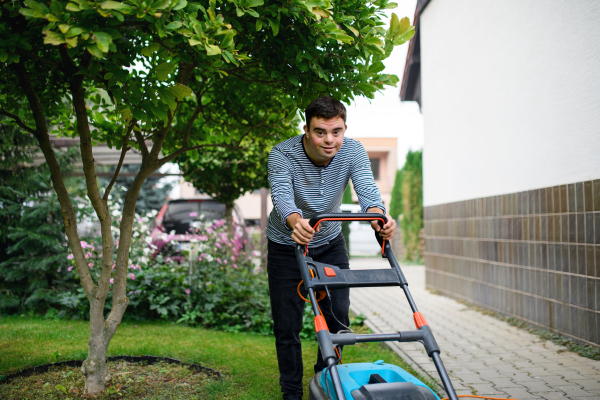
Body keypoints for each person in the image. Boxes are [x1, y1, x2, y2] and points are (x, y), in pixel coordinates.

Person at [266, 96, 396, 399]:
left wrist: (380, 217)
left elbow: (367, 189)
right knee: (287, 327)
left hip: (330, 243)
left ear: (344, 129)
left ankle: (325, 382)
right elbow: (282, 196)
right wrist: (295, 221)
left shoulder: (353, 151)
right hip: (286, 245)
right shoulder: (282, 153)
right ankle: (291, 393)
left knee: (339, 319)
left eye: (336, 131)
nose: (329, 140)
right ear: (307, 130)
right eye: (320, 132)